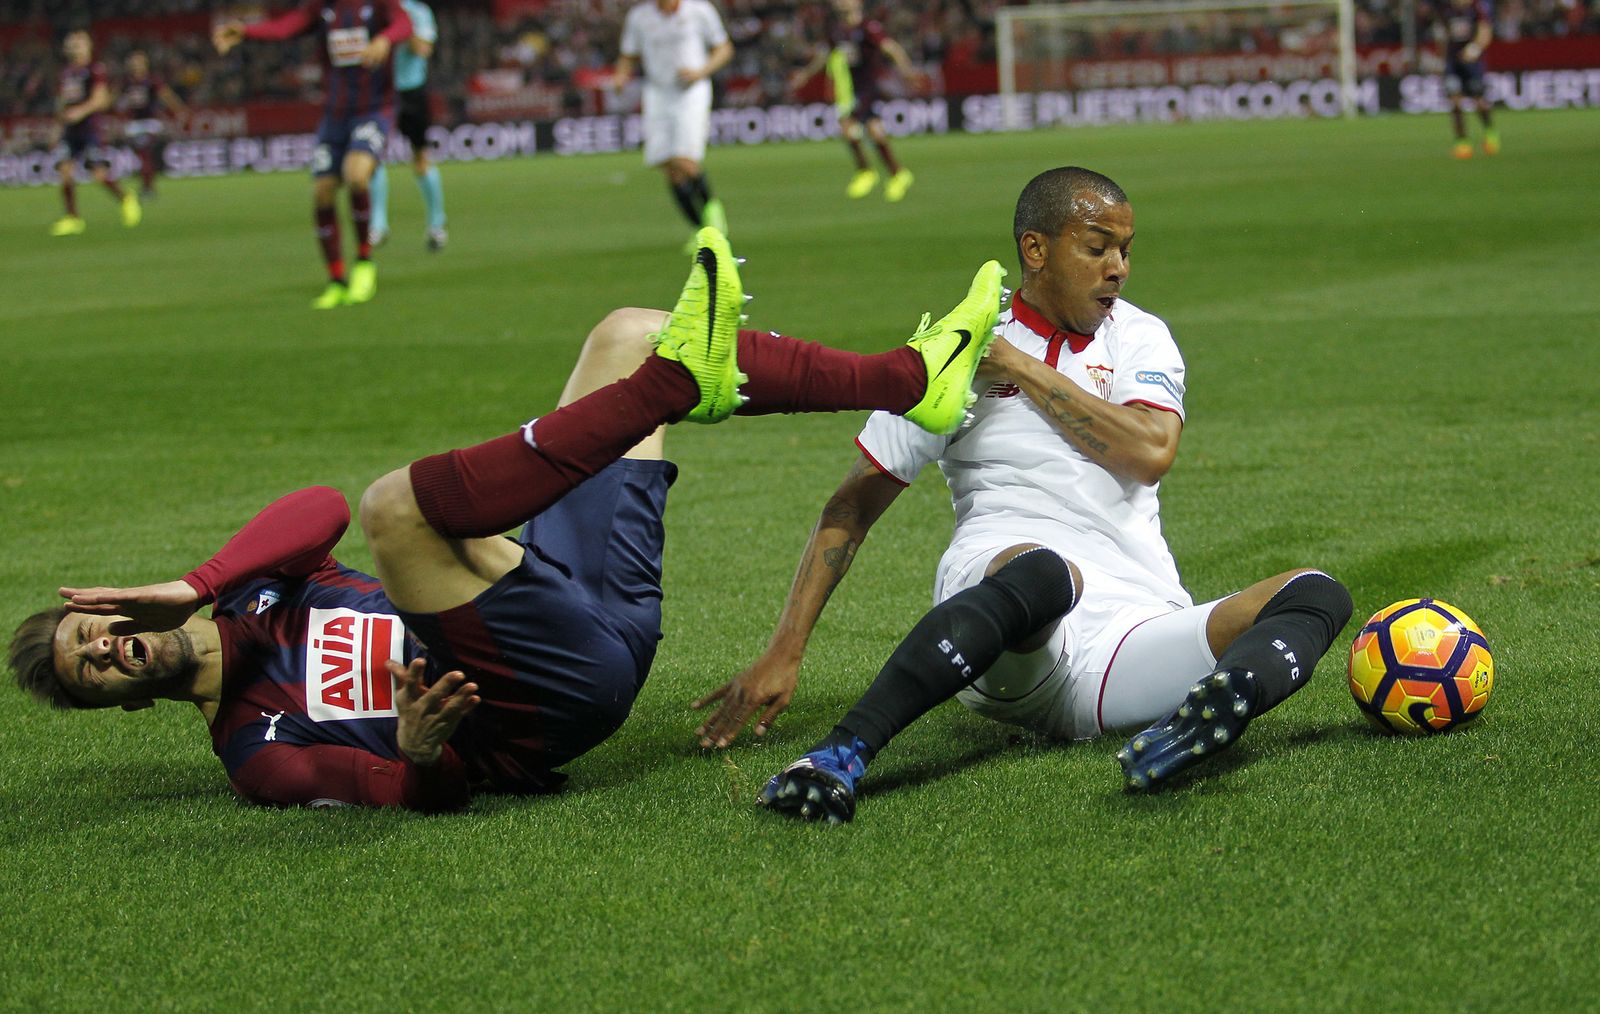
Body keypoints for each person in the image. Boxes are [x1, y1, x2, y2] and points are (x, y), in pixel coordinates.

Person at [8, 229, 1005, 813]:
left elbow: (307, 513)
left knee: (623, 331)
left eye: (95, 630)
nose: (109, 649)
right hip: (547, 705)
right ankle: (673, 385)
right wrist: (417, 748)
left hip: (575, 600)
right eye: (93, 668)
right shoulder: (258, 749)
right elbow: (413, 794)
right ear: (125, 704)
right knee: (395, 511)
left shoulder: (256, 591)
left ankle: (908, 380)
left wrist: (196, 584)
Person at [691, 168, 1354, 822]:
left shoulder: (1138, 337)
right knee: (1045, 573)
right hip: (1010, 627)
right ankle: (836, 757)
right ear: (1036, 250)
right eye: (1097, 248)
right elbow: (852, 506)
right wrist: (786, 647)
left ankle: (1207, 713)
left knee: (1317, 591)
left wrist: (1016, 367)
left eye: (1125, 249)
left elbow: (1150, 453)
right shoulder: (953, 351)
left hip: (1131, 632)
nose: (1118, 267)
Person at [214, 0, 414, 309]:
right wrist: (245, 31)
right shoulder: (322, 6)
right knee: (322, 192)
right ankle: (336, 281)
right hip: (335, 114)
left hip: (374, 109)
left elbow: (405, 23)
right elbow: (285, 27)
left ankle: (364, 261)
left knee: (357, 175)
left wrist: (385, 39)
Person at [614, 0, 734, 240]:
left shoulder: (699, 10)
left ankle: (713, 210)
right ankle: (701, 232)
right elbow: (628, 55)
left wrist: (701, 71)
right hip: (658, 93)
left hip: (691, 91)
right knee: (668, 166)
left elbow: (724, 49)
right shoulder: (640, 17)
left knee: (684, 159)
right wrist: (620, 76)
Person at [790, 0, 921, 202]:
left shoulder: (868, 27)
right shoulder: (836, 30)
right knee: (866, 130)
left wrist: (907, 71)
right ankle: (891, 173)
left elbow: (891, 48)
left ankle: (874, 172)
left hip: (867, 87)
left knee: (856, 128)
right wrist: (806, 75)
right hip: (851, 89)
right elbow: (825, 55)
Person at [369, 0, 447, 251]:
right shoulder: (375, 8)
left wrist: (401, 26)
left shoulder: (418, 11)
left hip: (412, 92)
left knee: (421, 158)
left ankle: (437, 224)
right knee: (371, 157)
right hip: (381, 93)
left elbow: (422, 49)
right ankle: (378, 226)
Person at [49, 30, 140, 237]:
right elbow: (62, 104)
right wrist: (56, 129)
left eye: (78, 43)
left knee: (98, 175)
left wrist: (79, 112)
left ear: (88, 47)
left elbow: (101, 100)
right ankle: (73, 218)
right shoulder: (65, 73)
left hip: (89, 130)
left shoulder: (95, 70)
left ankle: (126, 198)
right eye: (71, 43)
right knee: (64, 172)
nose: (74, 46)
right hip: (69, 131)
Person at [117, 50, 188, 200]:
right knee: (143, 157)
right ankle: (148, 186)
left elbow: (166, 95)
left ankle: (148, 188)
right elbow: (116, 99)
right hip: (133, 124)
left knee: (145, 154)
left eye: (138, 62)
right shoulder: (126, 82)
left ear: (145, 64)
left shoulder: (152, 81)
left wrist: (179, 109)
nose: (135, 65)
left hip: (149, 123)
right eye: (133, 62)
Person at [1439, 0, 1499, 158]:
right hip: (1453, 61)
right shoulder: (1447, 9)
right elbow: (1444, 34)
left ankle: (1490, 132)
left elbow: (1485, 32)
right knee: (1455, 101)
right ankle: (1462, 143)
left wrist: (1474, 49)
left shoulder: (1476, 8)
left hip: (1472, 62)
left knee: (1479, 100)